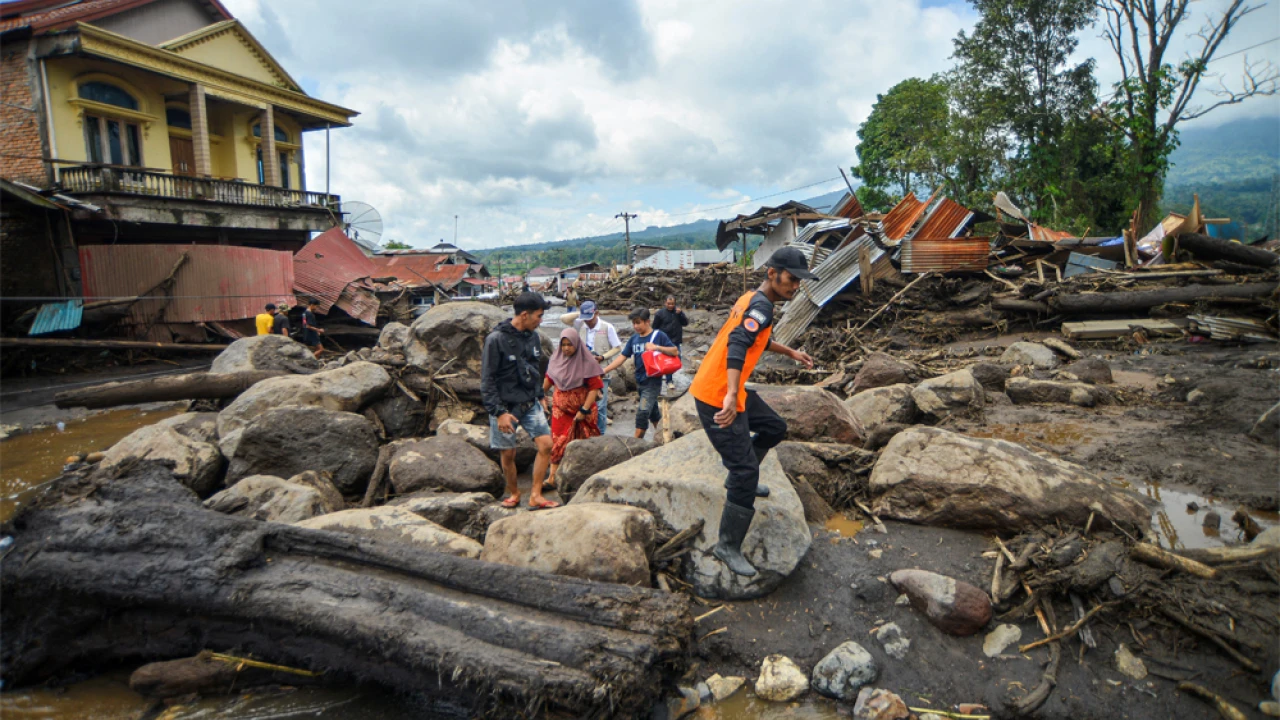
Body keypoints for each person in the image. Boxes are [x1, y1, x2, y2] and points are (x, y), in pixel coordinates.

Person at [689, 246, 817, 577]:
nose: (796, 286)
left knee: (774, 427)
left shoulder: (754, 301)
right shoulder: (760, 305)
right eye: (792, 279)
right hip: (717, 395)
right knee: (746, 470)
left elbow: (756, 336)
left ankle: (740, 478)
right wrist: (732, 394)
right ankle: (727, 546)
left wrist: (791, 352)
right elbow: (737, 343)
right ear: (772, 273)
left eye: (799, 281)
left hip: (727, 389)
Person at [480, 291, 557, 510]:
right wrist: (498, 412)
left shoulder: (533, 337)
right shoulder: (495, 340)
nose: (541, 321)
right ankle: (514, 493)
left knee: (546, 445)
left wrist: (540, 395)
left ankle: (535, 495)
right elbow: (487, 380)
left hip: (529, 402)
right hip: (505, 408)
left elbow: (535, 369)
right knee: (508, 453)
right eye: (539, 316)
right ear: (525, 315)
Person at [601, 307, 678, 440]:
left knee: (642, 413)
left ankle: (635, 443)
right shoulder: (634, 339)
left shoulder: (659, 336)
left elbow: (675, 351)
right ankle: (667, 439)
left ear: (647, 321)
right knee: (653, 413)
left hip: (653, 382)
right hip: (640, 382)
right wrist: (604, 370)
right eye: (634, 323)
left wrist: (657, 347)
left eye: (638, 323)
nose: (635, 326)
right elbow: (622, 357)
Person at [541, 327, 604, 488]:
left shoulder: (587, 362)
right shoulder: (556, 361)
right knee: (558, 441)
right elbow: (548, 381)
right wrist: (539, 397)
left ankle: (584, 477)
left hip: (583, 411)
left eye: (570, 344)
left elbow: (594, 388)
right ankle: (553, 477)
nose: (566, 348)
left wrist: (584, 410)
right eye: (563, 345)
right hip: (560, 411)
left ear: (577, 344)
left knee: (583, 443)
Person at [573, 300, 623, 431]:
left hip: (602, 371)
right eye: (585, 319)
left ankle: (600, 433)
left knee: (600, 405)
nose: (588, 322)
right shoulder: (581, 326)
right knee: (585, 403)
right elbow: (564, 318)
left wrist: (602, 357)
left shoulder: (607, 327)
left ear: (597, 314)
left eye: (590, 319)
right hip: (584, 371)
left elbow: (617, 348)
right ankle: (588, 431)